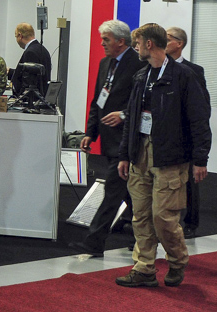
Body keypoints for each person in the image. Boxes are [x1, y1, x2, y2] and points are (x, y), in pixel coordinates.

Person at [116, 23, 211, 288]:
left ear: (149, 44)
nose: (135, 48)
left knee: (163, 217)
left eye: (138, 43)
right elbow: (132, 118)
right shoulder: (140, 77)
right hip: (140, 153)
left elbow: (199, 119)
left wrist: (200, 159)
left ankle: (177, 260)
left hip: (170, 156)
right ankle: (144, 268)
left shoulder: (184, 76)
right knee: (141, 215)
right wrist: (125, 154)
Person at [69, 20, 145, 256]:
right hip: (108, 139)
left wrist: (123, 114)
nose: (102, 43)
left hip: (127, 141)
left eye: (106, 39)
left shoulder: (138, 64)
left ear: (121, 41)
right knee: (130, 193)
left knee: (113, 191)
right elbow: (97, 100)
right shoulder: (105, 63)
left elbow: (144, 102)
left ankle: (94, 242)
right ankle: (144, 239)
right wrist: (90, 133)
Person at [166, 26, 209, 239]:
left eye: (167, 39)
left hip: (186, 134)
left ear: (179, 43)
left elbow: (202, 107)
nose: (163, 43)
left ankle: (191, 223)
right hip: (165, 134)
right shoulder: (157, 68)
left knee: (190, 181)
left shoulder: (194, 70)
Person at [12, 22, 51, 96]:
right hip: (42, 96)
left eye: (16, 37)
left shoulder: (30, 52)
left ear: (20, 36)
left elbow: (29, 80)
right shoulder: (43, 50)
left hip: (32, 99)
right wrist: (11, 72)